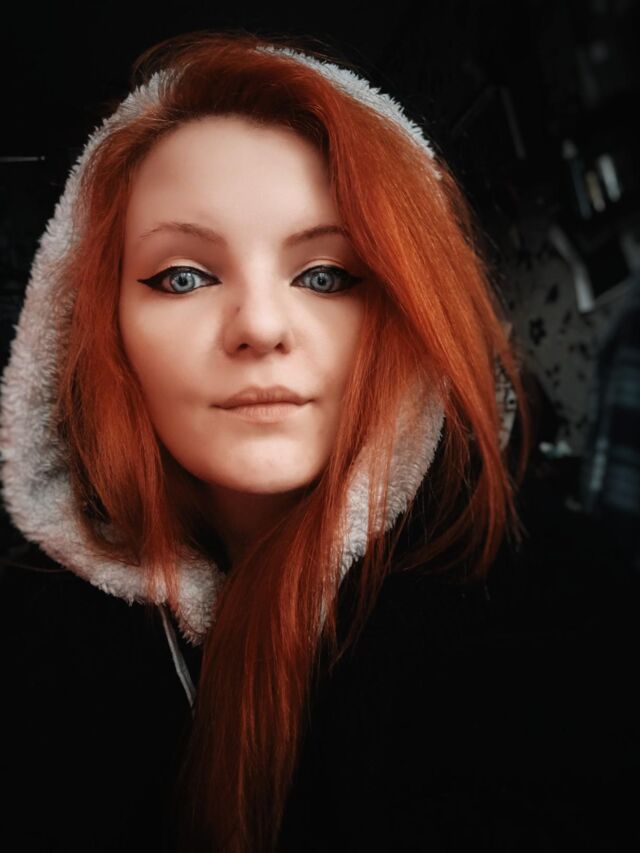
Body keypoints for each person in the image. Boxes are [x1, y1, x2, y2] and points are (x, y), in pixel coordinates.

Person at [2, 28, 634, 853]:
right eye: (184, 276)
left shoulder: (556, 632)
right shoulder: (34, 650)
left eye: (327, 275)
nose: (262, 326)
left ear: (403, 310)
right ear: (98, 328)